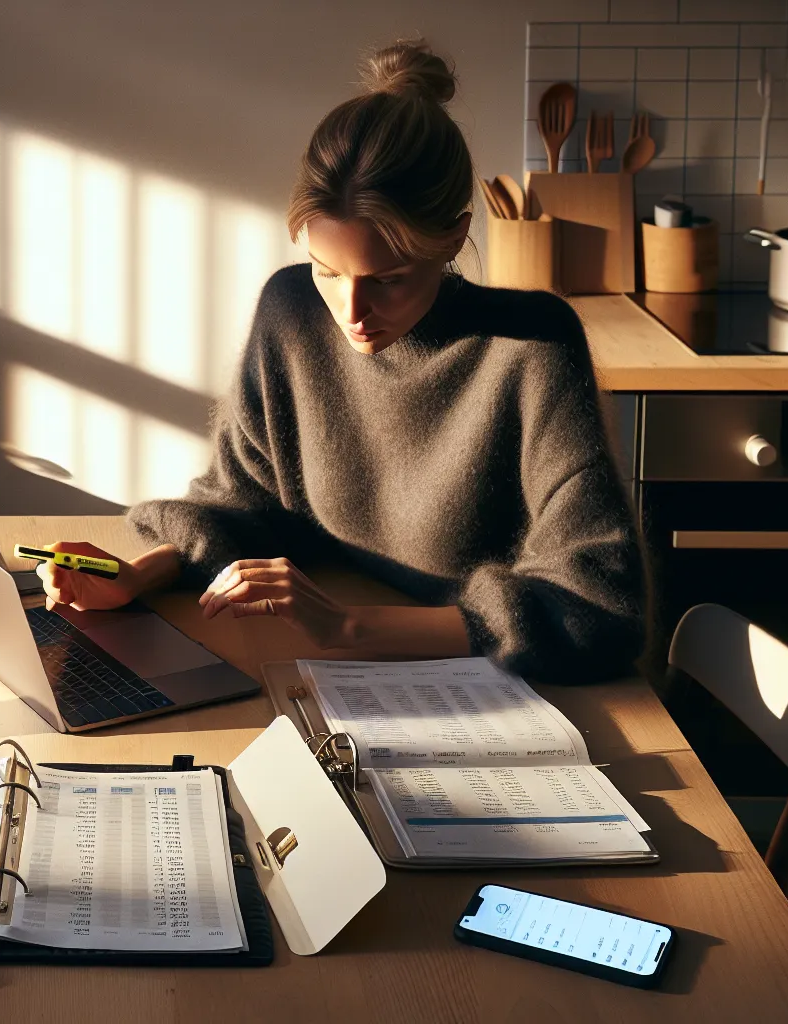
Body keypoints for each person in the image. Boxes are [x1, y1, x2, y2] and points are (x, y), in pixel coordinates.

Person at [37, 40, 644, 684]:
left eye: (389, 279)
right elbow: (247, 502)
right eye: (328, 271)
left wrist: (349, 626)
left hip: (489, 688)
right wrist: (131, 577)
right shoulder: (291, 308)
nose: (351, 310)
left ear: (456, 238)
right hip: (330, 666)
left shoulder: (533, 346)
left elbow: (599, 607)